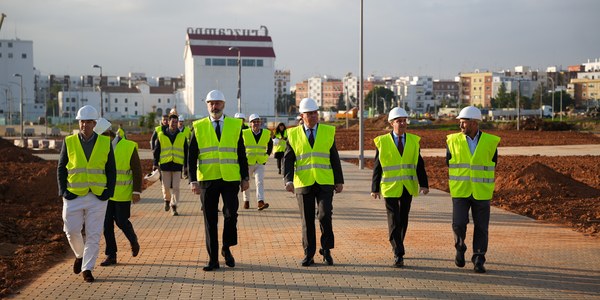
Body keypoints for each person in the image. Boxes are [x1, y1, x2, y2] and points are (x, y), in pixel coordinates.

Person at [188, 89, 250, 271]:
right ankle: (213, 259)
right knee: (210, 220)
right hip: (207, 179)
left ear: (223, 104)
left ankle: (226, 248)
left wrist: (245, 177)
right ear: (207, 105)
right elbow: (191, 157)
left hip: (230, 179)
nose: (214, 106)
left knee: (231, 215)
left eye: (217, 103)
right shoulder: (197, 127)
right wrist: (193, 180)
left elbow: (241, 154)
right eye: (211, 103)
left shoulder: (235, 125)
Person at [57, 105, 116, 283]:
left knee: (94, 234)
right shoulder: (69, 142)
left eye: (88, 122)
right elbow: (61, 168)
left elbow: (111, 170)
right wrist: (63, 191)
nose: (84, 125)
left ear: (94, 123)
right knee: (71, 229)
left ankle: (87, 269)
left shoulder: (105, 143)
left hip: (97, 197)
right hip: (73, 195)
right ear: (79, 123)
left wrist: (108, 192)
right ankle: (79, 254)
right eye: (82, 122)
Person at [284, 97, 344, 267]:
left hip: (325, 181)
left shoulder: (327, 131)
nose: (312, 117)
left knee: (325, 216)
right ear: (301, 116)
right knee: (307, 220)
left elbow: (334, 157)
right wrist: (288, 180)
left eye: (314, 114)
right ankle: (308, 254)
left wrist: (339, 181)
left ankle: (326, 250)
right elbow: (288, 160)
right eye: (308, 114)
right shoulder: (293, 134)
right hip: (303, 183)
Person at [370, 107, 429, 268]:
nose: (402, 123)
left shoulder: (413, 141)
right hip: (389, 186)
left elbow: (419, 164)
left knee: (403, 218)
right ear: (391, 123)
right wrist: (374, 187)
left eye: (404, 120)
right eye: (398, 121)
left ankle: (399, 243)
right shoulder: (382, 142)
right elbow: (378, 165)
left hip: (407, 186)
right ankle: (398, 252)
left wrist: (424, 184)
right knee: (393, 219)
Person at [446, 106, 500, 274]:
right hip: (460, 190)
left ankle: (478, 259)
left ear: (475, 123)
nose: (461, 126)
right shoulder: (452, 140)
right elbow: (448, 161)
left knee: (482, 227)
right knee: (458, 224)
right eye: (460, 122)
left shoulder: (490, 142)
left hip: (482, 191)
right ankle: (460, 247)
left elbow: (493, 162)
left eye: (464, 123)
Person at [99, 128, 143, 267]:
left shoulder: (128, 146)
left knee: (121, 221)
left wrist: (136, 191)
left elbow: (137, 170)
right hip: (105, 193)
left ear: (108, 135)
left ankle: (133, 240)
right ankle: (111, 255)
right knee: (106, 225)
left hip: (122, 193)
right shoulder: (100, 148)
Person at [154, 112, 188, 216]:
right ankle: (167, 201)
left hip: (177, 165)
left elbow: (186, 152)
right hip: (165, 165)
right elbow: (156, 150)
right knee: (166, 186)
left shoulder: (182, 136)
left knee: (176, 187)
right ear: (168, 122)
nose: (174, 124)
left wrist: (186, 166)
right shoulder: (161, 135)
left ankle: (174, 206)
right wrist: (155, 163)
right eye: (172, 122)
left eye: (176, 122)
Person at [242, 114, 273, 210]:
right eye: (253, 122)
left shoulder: (266, 133)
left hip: (260, 162)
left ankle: (260, 201)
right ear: (250, 124)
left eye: (257, 122)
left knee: (259, 182)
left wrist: (267, 156)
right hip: (248, 162)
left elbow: (270, 145)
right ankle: (246, 201)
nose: (256, 124)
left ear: (260, 123)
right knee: (247, 182)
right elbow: (240, 147)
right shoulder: (244, 133)